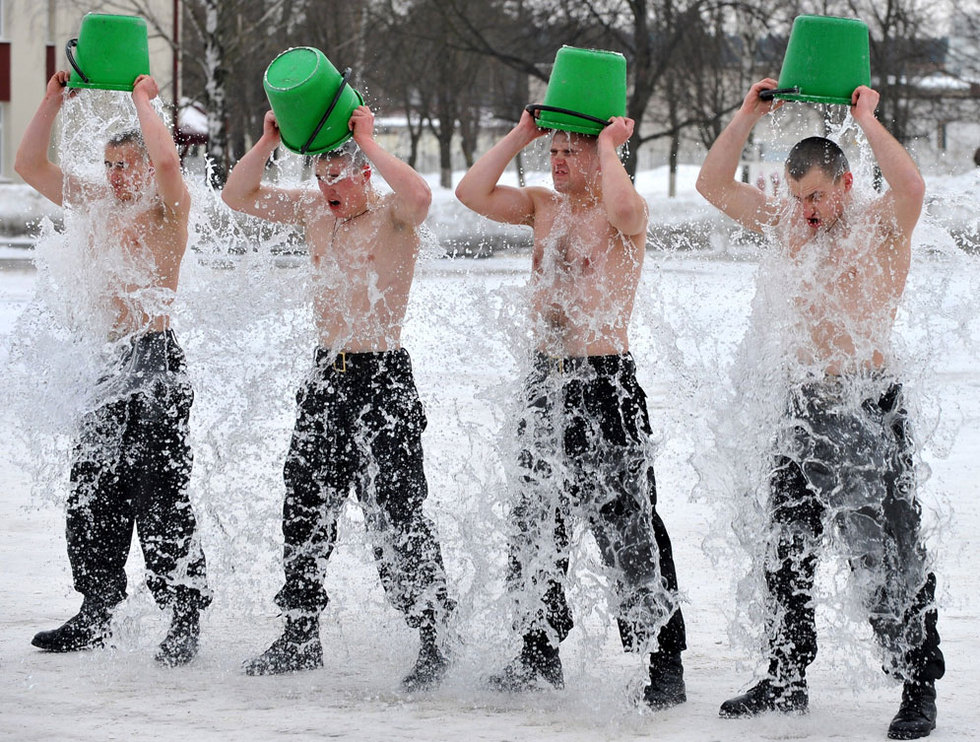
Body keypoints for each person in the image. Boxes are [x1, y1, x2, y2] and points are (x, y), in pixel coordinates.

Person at [696, 79, 945, 739]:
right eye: (796, 194)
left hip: (868, 405)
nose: (805, 210)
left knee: (887, 552)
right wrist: (748, 113)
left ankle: (917, 686)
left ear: (844, 184)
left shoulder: (881, 226)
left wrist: (867, 118)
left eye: (816, 196)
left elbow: (915, 187)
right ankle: (786, 676)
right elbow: (712, 186)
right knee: (787, 547)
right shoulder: (785, 222)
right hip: (804, 406)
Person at [454, 110, 687, 709]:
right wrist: (522, 135)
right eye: (552, 151)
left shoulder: (618, 213)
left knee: (630, 523)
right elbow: (470, 192)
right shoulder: (541, 207)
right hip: (546, 381)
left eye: (569, 152)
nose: (557, 162)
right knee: (534, 519)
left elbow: (631, 211)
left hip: (605, 382)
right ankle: (537, 653)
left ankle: (663, 659)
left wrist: (608, 146)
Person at [221, 105, 455, 690]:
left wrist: (367, 142)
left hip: (383, 376)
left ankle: (434, 635)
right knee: (303, 501)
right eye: (321, 176)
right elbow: (236, 194)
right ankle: (300, 632)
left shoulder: (394, 217)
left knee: (397, 509)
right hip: (327, 373)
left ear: (365, 176)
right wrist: (268, 138)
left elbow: (422, 193)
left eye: (340, 176)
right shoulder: (311, 211)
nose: (328, 188)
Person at [14, 72, 211, 666]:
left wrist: (142, 101)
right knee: (91, 491)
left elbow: (171, 165)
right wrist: (51, 100)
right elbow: (28, 164)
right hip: (103, 362)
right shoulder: (96, 204)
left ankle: (183, 614)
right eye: (109, 164)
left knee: (160, 493)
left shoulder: (167, 208)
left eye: (126, 164)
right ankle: (96, 608)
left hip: (153, 359)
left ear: (147, 166)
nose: (115, 175)